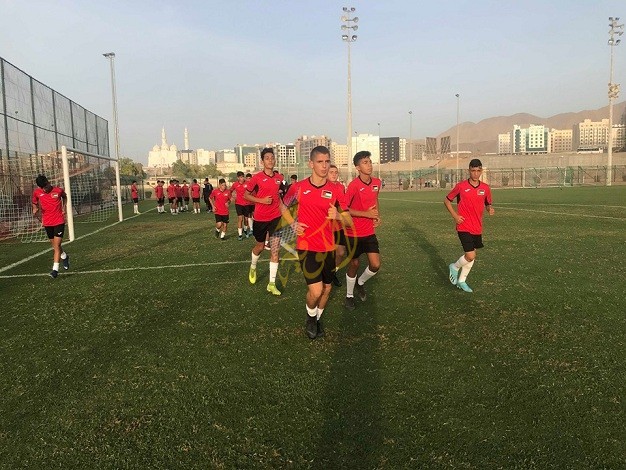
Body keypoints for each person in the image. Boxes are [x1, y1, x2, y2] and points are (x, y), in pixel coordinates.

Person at [281, 146, 351, 339]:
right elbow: (283, 205)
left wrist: (338, 215)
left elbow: (348, 219)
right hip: (307, 246)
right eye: (320, 162)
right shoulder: (299, 187)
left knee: (327, 289)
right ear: (311, 164)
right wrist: (293, 224)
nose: (324, 165)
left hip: (328, 247)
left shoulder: (336, 189)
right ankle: (310, 318)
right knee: (316, 290)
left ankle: (317, 318)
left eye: (327, 161)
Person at [444, 158, 495, 293]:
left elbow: (488, 203)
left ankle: (462, 281)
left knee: (471, 255)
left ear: (481, 171)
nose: (475, 174)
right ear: (469, 171)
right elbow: (447, 201)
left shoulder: (485, 188)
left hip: (477, 227)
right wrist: (455, 216)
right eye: (473, 171)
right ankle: (454, 267)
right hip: (464, 226)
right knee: (470, 255)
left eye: (478, 171)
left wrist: (489, 209)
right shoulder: (461, 186)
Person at [344, 151, 382, 310]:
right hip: (352, 233)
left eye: (370, 161)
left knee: (375, 265)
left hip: (369, 232)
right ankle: (349, 295)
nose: (369, 165)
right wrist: (366, 214)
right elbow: (345, 208)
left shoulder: (377, 182)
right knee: (354, 264)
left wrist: (376, 215)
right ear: (358, 167)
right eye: (365, 162)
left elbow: (375, 199)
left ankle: (360, 282)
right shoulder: (353, 186)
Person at [244, 148, 285, 296]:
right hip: (261, 218)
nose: (270, 160)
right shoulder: (256, 178)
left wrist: (285, 211)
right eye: (267, 158)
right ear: (262, 161)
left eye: (272, 157)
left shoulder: (279, 178)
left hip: (276, 217)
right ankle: (253, 266)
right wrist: (261, 200)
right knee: (260, 247)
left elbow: (278, 198)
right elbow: (246, 195)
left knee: (275, 250)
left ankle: (271, 284)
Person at [31, 175, 70, 278]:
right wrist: (35, 208)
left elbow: (65, 197)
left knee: (56, 246)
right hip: (47, 223)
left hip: (59, 221)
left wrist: (64, 207)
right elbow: (34, 202)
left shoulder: (58, 190)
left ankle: (55, 270)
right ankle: (64, 256)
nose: (44, 189)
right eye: (42, 188)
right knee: (55, 246)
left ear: (48, 182)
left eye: (45, 186)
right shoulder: (37, 192)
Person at [328, 164, 346, 287]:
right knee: (327, 254)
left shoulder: (341, 187)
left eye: (336, 172)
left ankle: (333, 273)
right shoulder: (324, 186)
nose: (334, 174)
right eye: (331, 172)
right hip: (326, 226)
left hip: (338, 225)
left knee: (340, 253)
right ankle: (325, 276)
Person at [231, 171, 251, 240]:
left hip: (247, 203)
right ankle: (240, 235)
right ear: (238, 178)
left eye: (243, 177)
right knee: (240, 219)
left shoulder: (247, 183)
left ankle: (245, 230)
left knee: (246, 219)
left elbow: (252, 190)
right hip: (238, 204)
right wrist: (231, 197)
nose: (242, 178)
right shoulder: (235, 184)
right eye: (241, 177)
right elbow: (230, 191)